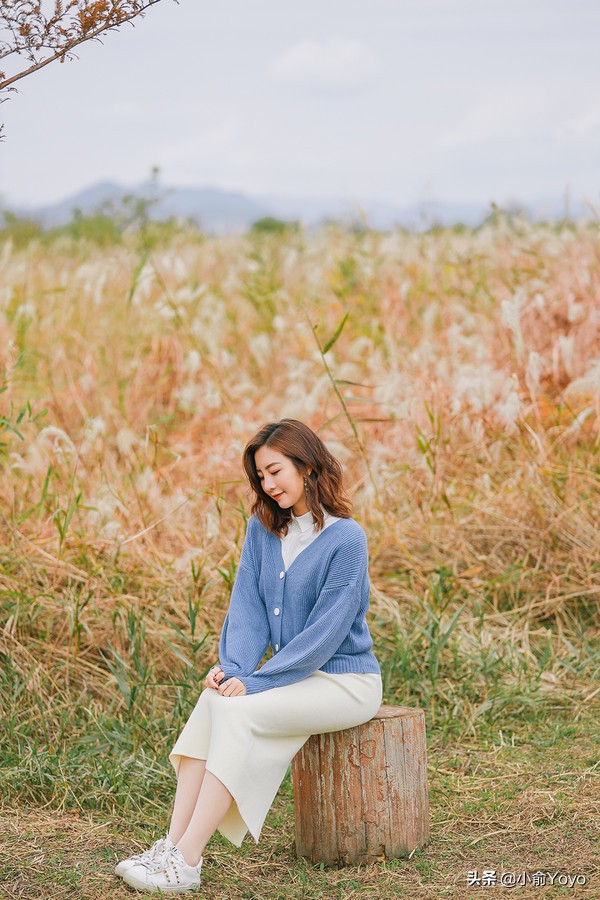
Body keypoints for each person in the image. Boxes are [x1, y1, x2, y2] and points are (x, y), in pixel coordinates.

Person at [115, 418, 382, 893]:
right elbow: (247, 611)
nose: (269, 484)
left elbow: (323, 636)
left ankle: (189, 862)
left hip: (345, 682)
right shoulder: (262, 530)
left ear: (308, 465)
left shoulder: (347, 538)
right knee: (213, 702)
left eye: (276, 470)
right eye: (261, 475)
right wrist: (231, 671)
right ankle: (171, 848)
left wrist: (256, 682)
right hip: (295, 677)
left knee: (237, 715)